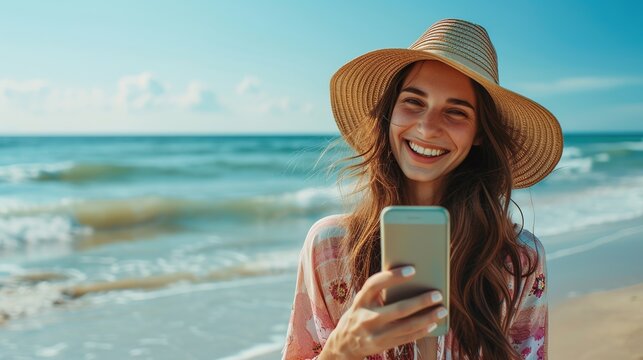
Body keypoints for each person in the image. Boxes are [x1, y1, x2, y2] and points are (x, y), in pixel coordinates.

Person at [282, 18, 562, 360]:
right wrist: (340, 351)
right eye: (413, 102)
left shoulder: (519, 259)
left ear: (479, 135)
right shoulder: (329, 248)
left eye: (456, 112)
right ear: (389, 114)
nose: (428, 128)